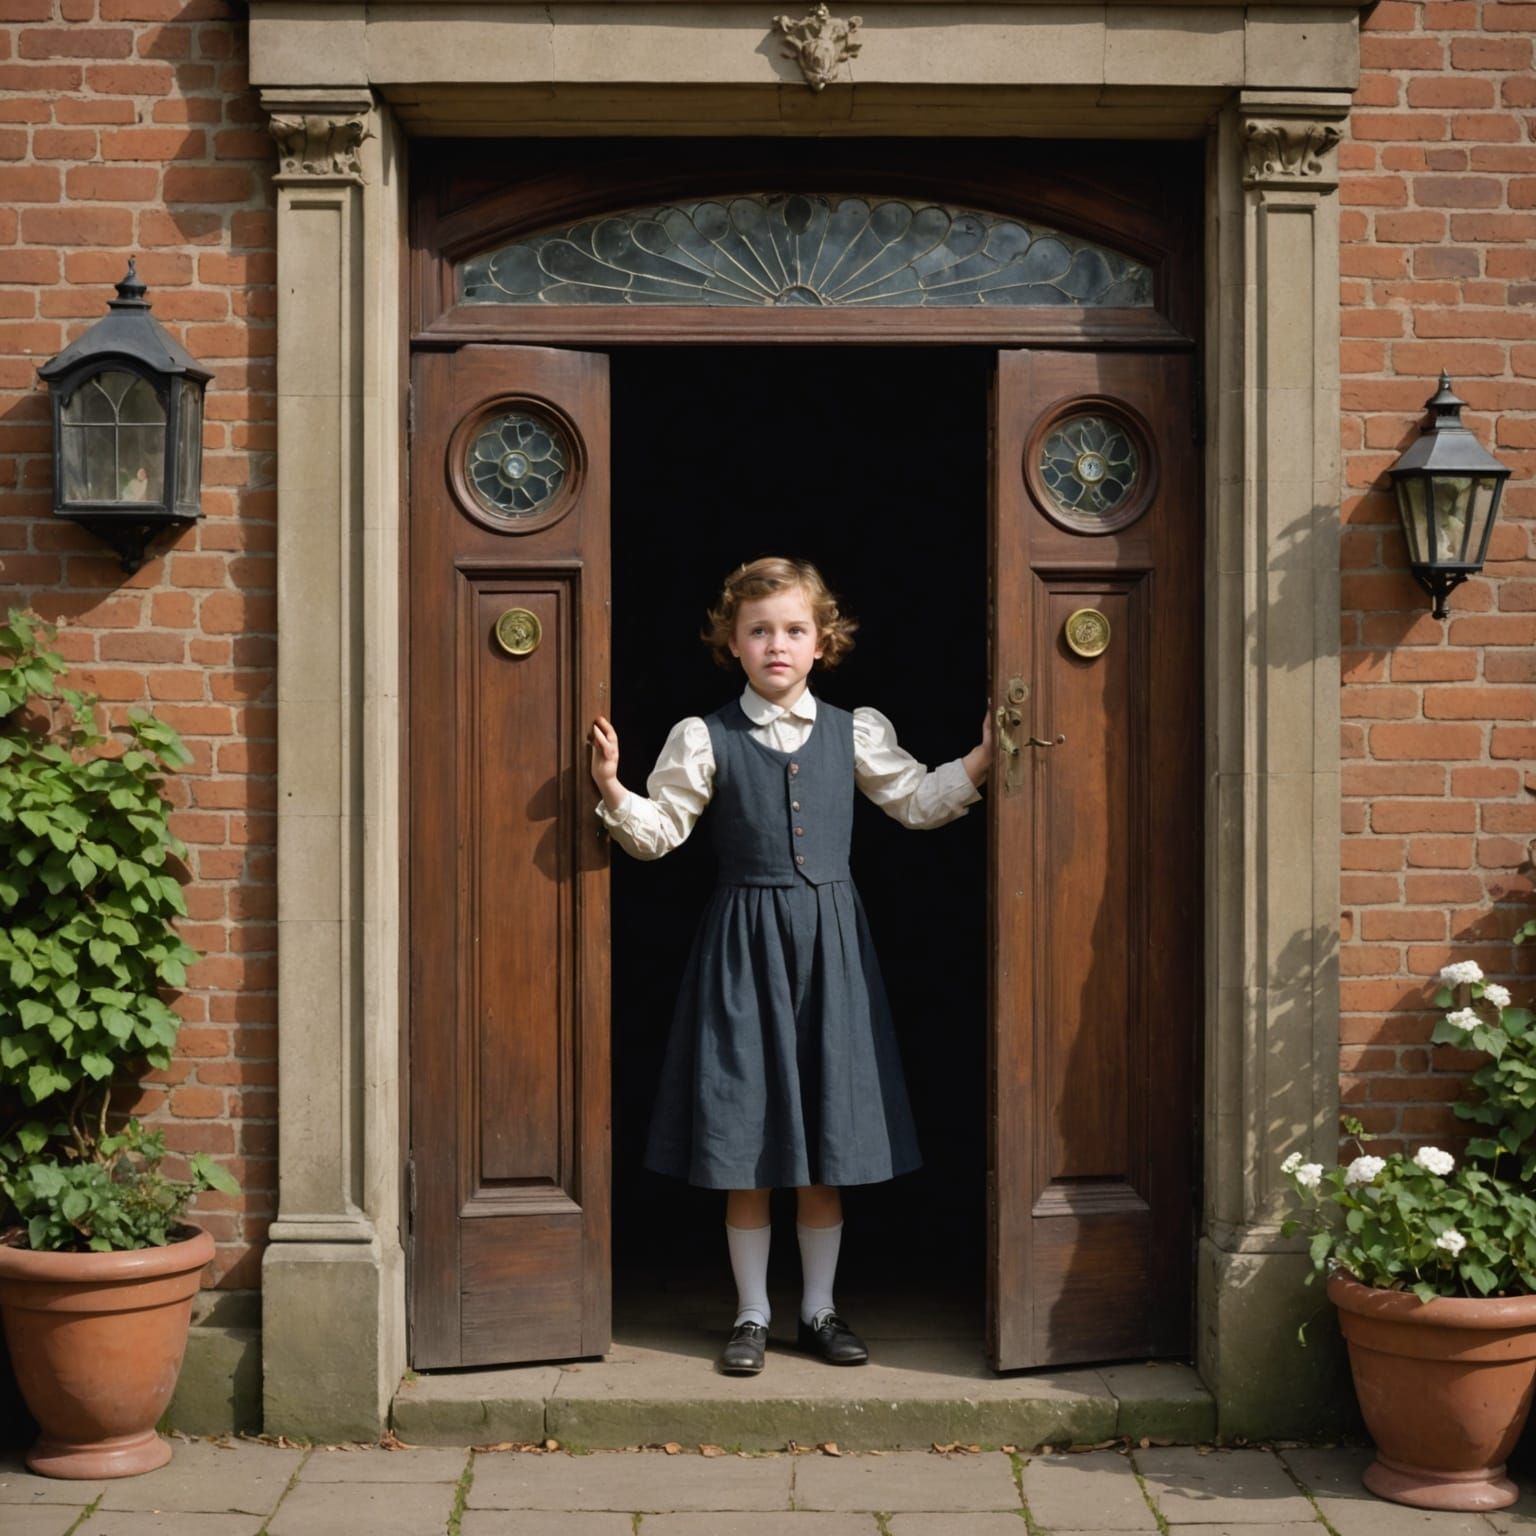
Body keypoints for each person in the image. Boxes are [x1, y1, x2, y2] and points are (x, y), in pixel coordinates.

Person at [589, 556, 990, 1375]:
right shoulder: (705, 736)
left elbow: (916, 801)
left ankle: (818, 1309)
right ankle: (751, 1314)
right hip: (743, 953)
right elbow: (661, 833)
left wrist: (985, 759)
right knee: (749, 1139)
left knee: (824, 1142)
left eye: (794, 630)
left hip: (832, 951)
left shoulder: (854, 730)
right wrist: (613, 789)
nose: (777, 644)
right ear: (731, 643)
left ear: (822, 642)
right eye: (760, 630)